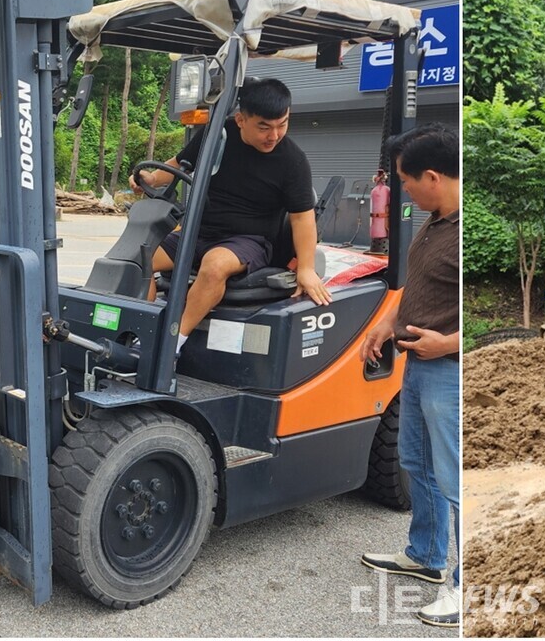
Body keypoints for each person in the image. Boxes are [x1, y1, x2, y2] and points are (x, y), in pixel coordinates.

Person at [132, 78, 332, 354]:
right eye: (264, 127)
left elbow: (302, 218)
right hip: (199, 232)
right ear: (240, 120)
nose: (274, 135)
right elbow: (181, 165)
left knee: (214, 265)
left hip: (249, 241)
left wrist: (307, 269)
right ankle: (142, 334)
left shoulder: (292, 162)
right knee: (140, 260)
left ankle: (171, 344)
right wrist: (152, 178)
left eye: (282, 125)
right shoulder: (218, 137)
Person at [358, 123, 460, 628]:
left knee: (455, 477)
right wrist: (387, 323)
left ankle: (468, 587)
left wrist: (450, 343)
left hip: (449, 370)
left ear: (434, 177)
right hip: (418, 365)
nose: (402, 190)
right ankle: (426, 555)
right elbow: (419, 286)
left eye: (406, 180)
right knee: (416, 461)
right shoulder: (436, 221)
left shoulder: (464, 228)